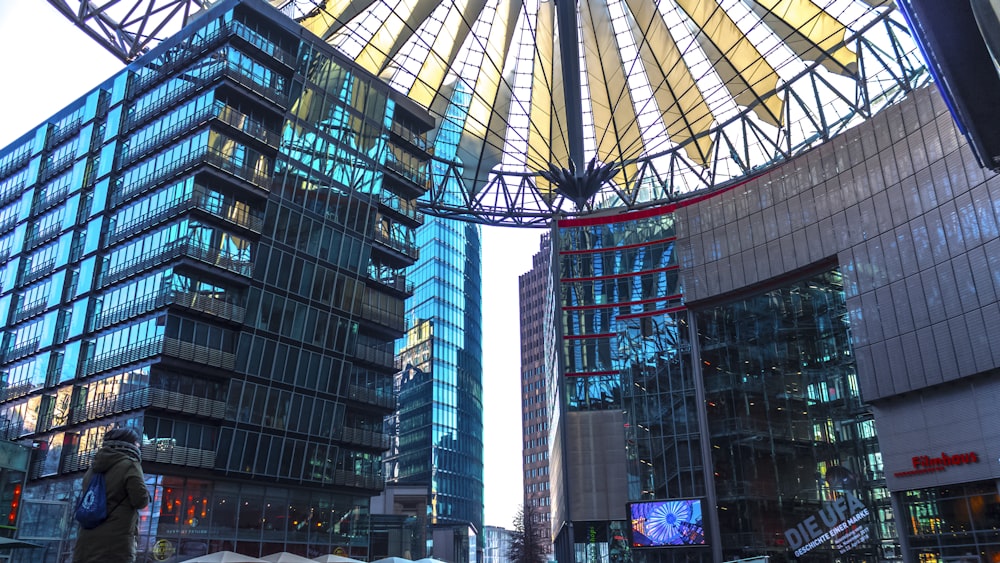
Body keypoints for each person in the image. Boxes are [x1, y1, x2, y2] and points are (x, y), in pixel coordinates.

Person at [73, 427, 150, 563]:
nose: (139, 446)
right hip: (115, 545)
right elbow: (140, 500)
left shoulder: (93, 469)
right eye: (137, 443)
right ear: (130, 444)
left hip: (86, 542)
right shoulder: (130, 465)